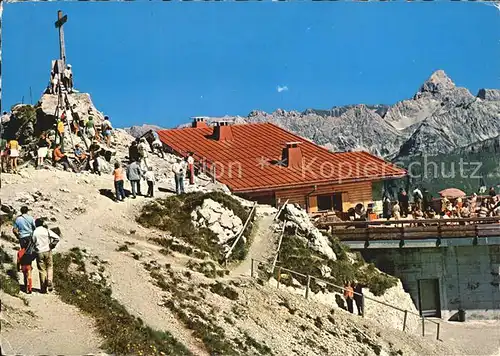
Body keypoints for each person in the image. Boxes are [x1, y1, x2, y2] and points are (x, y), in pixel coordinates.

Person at [32, 218, 60, 293]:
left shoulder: (34, 232)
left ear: (36, 224)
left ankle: (43, 289)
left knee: (41, 270)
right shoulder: (46, 230)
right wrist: (52, 245)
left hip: (39, 252)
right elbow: (57, 238)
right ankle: (49, 280)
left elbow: (33, 242)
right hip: (47, 250)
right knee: (49, 266)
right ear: (42, 224)